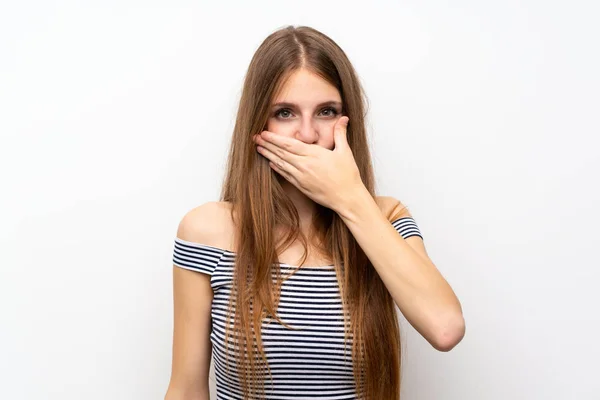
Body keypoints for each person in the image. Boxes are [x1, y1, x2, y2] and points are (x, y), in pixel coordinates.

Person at [165, 25, 465, 400]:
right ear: (258, 123)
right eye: (285, 113)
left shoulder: (385, 218)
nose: (307, 135)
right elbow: (186, 388)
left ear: (348, 120)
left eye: (326, 112)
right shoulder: (207, 230)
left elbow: (446, 328)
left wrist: (350, 198)